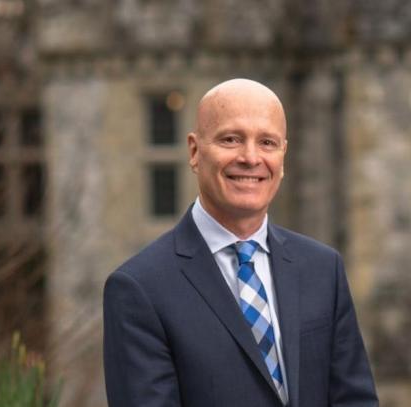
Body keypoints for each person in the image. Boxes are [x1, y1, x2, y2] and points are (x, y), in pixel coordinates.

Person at [103, 78, 379, 407]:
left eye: (267, 142)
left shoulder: (323, 269)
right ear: (194, 151)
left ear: (283, 156)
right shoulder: (139, 289)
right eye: (231, 139)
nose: (250, 157)